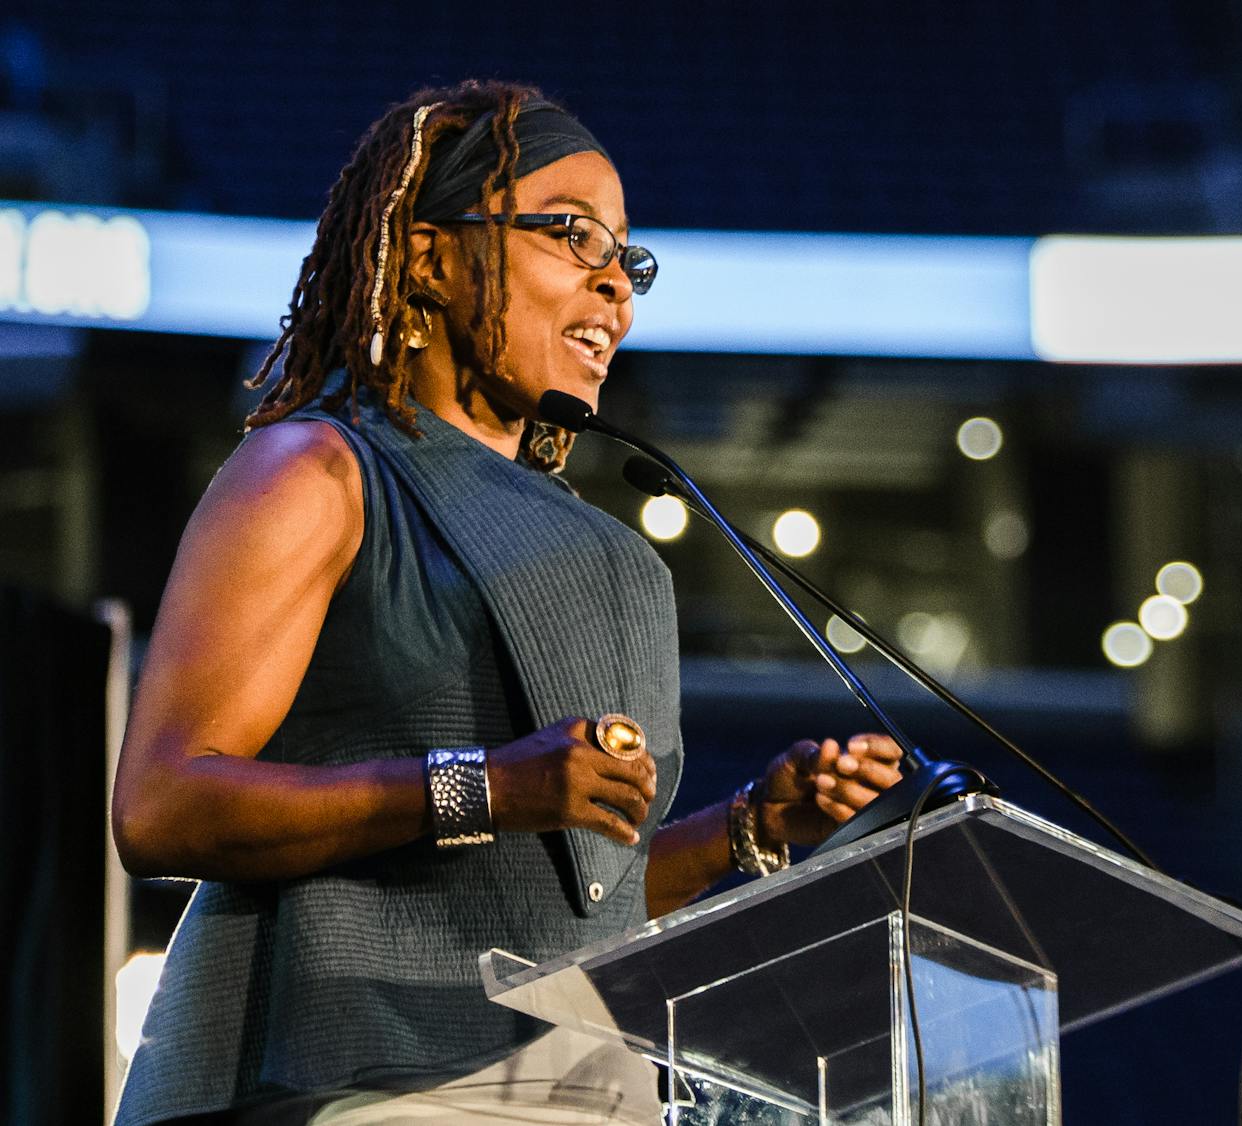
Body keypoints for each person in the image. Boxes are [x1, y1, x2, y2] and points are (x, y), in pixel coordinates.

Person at [110, 79, 903, 1125]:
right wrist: (484, 786)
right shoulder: (318, 472)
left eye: (628, 260)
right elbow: (161, 807)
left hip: (573, 1091)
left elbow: (575, 911)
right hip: (345, 1086)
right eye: (573, 236)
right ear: (432, 257)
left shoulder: (613, 556)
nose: (617, 287)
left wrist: (748, 828)